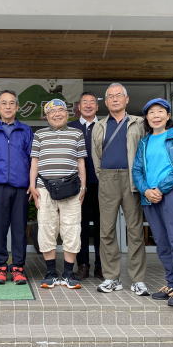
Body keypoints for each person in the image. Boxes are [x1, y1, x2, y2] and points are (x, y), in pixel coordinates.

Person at [132, 98, 173, 308]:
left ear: (168, 116)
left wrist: (160, 189)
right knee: (162, 242)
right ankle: (172, 283)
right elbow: (137, 170)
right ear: (146, 118)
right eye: (151, 112)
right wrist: (146, 190)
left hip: (172, 194)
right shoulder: (144, 142)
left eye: (160, 111)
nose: (156, 116)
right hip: (150, 197)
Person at [91, 83, 149, 296]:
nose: (115, 99)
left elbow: (144, 151)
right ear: (106, 102)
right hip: (107, 178)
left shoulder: (139, 123)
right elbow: (96, 156)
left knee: (135, 230)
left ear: (127, 99)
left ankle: (138, 280)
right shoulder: (99, 126)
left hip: (132, 177)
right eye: (110, 96)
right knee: (106, 230)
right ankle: (111, 277)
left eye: (118, 95)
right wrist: (104, 176)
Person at [29, 99, 86, 290]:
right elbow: (35, 162)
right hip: (44, 188)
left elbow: (80, 162)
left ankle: (68, 273)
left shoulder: (77, 134)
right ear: (46, 116)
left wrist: (83, 187)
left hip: (71, 188)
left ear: (67, 113)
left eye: (61, 110)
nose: (57, 114)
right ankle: (51, 273)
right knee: (46, 228)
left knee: (72, 228)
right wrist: (32, 186)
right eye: (52, 111)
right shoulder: (39, 135)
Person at [0, 90, 34, 285]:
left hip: (21, 187)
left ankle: (18, 267)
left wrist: (32, 184)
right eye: (4, 103)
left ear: (17, 107)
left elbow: (33, 159)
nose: (8, 106)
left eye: (12, 103)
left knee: (19, 228)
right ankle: (0, 267)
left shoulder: (26, 130)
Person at [68, 92, 102, 280]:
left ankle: (101, 266)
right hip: (76, 185)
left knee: (102, 227)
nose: (88, 105)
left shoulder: (104, 126)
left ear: (97, 107)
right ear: (79, 107)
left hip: (101, 185)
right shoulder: (71, 127)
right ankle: (82, 265)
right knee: (78, 226)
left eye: (92, 102)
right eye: (84, 102)